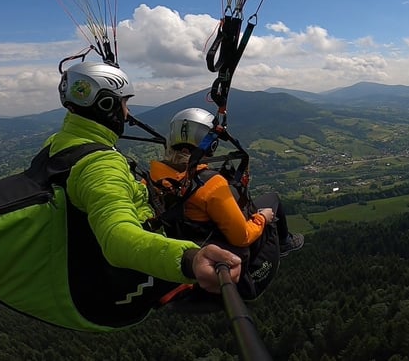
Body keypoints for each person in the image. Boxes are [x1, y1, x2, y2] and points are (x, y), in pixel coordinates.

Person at [48, 61, 242, 327]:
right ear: (106, 105)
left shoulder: (59, 145)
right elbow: (117, 237)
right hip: (118, 286)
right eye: (124, 103)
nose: (127, 114)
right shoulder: (100, 164)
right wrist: (188, 259)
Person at [148, 107, 305, 257]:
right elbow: (242, 237)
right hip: (215, 248)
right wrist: (263, 218)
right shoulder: (210, 183)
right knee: (273, 199)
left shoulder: (150, 179)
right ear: (210, 145)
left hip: (182, 246)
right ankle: (285, 243)